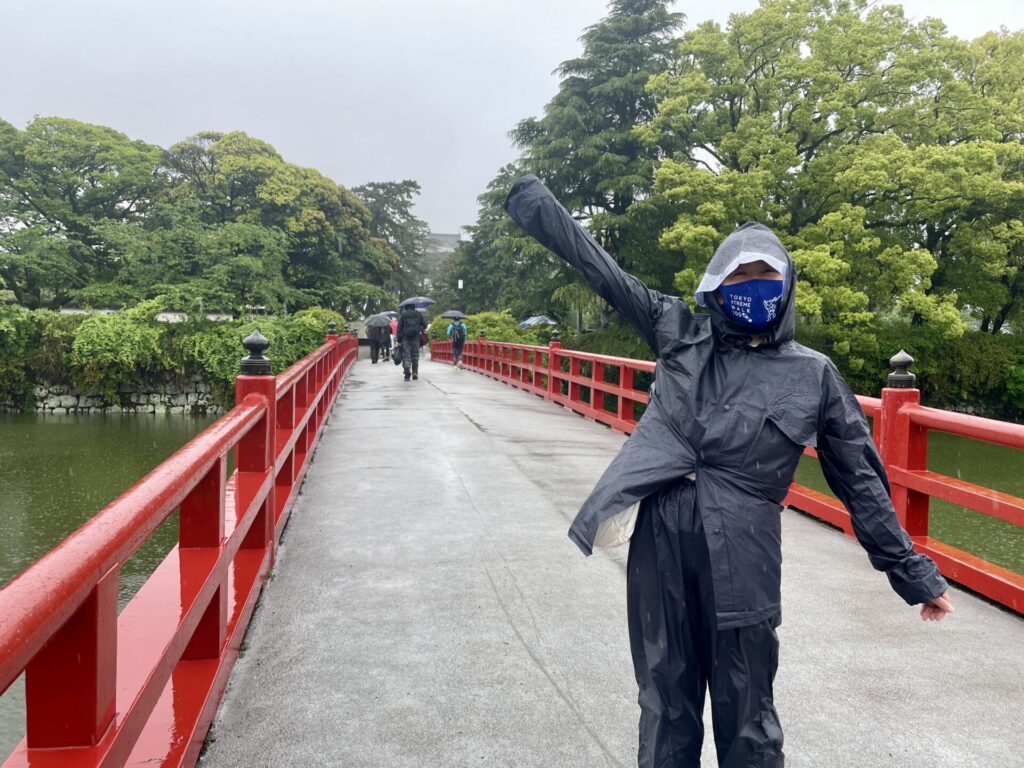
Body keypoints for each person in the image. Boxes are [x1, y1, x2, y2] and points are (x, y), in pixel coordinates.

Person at [504, 175, 953, 768]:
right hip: (661, 541)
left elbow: (861, 482)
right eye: (738, 276)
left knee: (749, 717)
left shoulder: (813, 375)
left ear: (787, 285)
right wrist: (535, 202)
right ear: (715, 286)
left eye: (765, 275)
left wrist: (913, 574)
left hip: (745, 554)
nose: (752, 287)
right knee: (665, 706)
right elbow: (601, 271)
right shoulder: (677, 334)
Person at [397, 303, 427, 381]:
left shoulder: (403, 315)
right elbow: (425, 325)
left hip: (405, 338)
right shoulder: (418, 314)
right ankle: (415, 372)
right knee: (415, 356)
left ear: (406, 308)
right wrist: (420, 327)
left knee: (407, 355)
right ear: (414, 307)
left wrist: (398, 340)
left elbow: (399, 328)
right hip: (416, 338)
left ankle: (407, 374)